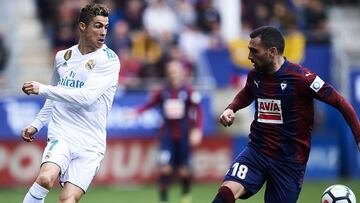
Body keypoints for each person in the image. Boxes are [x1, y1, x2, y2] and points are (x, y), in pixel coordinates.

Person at [211, 26, 360, 203]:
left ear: (272, 51)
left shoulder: (302, 78)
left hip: (289, 162)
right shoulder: (255, 75)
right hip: (257, 151)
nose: (249, 56)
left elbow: (340, 103)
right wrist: (231, 108)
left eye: (254, 50)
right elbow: (247, 92)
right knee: (227, 191)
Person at [21, 3, 120, 203]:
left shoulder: (109, 60)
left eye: (106, 27)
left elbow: (87, 97)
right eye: (98, 26)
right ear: (83, 27)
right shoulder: (62, 57)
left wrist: (42, 89)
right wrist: (36, 124)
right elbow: (55, 96)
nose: (103, 32)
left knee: (67, 200)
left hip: (91, 143)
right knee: (45, 178)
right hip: (62, 133)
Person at [134, 59, 203, 203]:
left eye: (176, 71)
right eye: (171, 71)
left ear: (181, 73)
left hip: (184, 135)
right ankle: (164, 200)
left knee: (185, 171)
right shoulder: (163, 91)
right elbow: (150, 103)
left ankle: (186, 195)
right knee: (165, 169)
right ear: (167, 73)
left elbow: (198, 110)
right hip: (167, 136)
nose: (173, 74)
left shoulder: (188, 91)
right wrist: (136, 112)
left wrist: (197, 129)